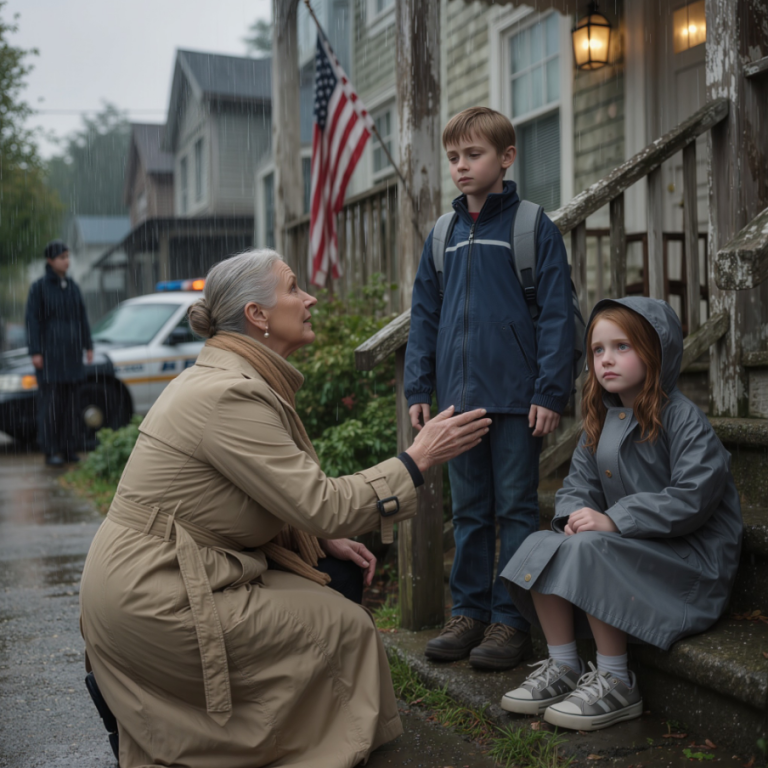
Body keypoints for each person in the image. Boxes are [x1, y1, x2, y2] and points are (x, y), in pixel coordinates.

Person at [79, 249, 491, 768]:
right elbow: (322, 503)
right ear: (258, 315)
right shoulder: (230, 393)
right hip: (155, 596)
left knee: (333, 573)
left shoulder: (224, 375)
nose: (309, 298)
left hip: (159, 575)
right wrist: (417, 458)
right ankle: (316, 747)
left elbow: (250, 499)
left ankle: (289, 732)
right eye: (294, 288)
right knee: (347, 628)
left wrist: (317, 539)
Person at [499, 297, 742, 731]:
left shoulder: (684, 420)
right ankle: (565, 666)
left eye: (622, 347)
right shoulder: (601, 421)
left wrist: (615, 519)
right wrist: (574, 515)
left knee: (593, 546)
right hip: (635, 550)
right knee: (539, 543)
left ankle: (616, 679)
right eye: (597, 350)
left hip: (688, 566)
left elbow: (693, 495)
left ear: (656, 351)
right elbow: (577, 486)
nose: (606, 360)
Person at [404, 106, 575, 670]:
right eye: (453, 157)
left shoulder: (531, 226)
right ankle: (470, 612)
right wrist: (418, 387)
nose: (460, 166)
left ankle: (510, 620)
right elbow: (424, 317)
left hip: (516, 399)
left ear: (506, 157)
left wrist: (551, 391)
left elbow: (556, 316)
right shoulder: (443, 235)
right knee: (472, 510)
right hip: (456, 403)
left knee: (517, 509)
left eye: (472, 155)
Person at [25, 240, 93, 466]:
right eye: (62, 257)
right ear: (50, 261)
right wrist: (35, 351)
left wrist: (88, 345)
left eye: (68, 256)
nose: (67, 261)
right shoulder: (39, 288)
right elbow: (32, 321)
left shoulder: (72, 286)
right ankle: (50, 450)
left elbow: (82, 318)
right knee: (52, 406)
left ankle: (68, 448)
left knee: (71, 405)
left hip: (72, 356)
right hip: (50, 357)